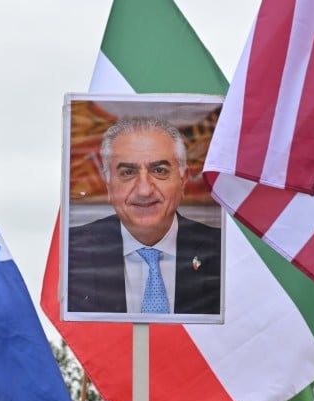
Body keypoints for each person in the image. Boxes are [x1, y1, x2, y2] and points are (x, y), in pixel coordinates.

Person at [67, 117, 221, 315]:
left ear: (183, 181)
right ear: (108, 186)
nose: (144, 190)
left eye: (159, 171)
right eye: (128, 172)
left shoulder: (221, 251)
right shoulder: (74, 252)